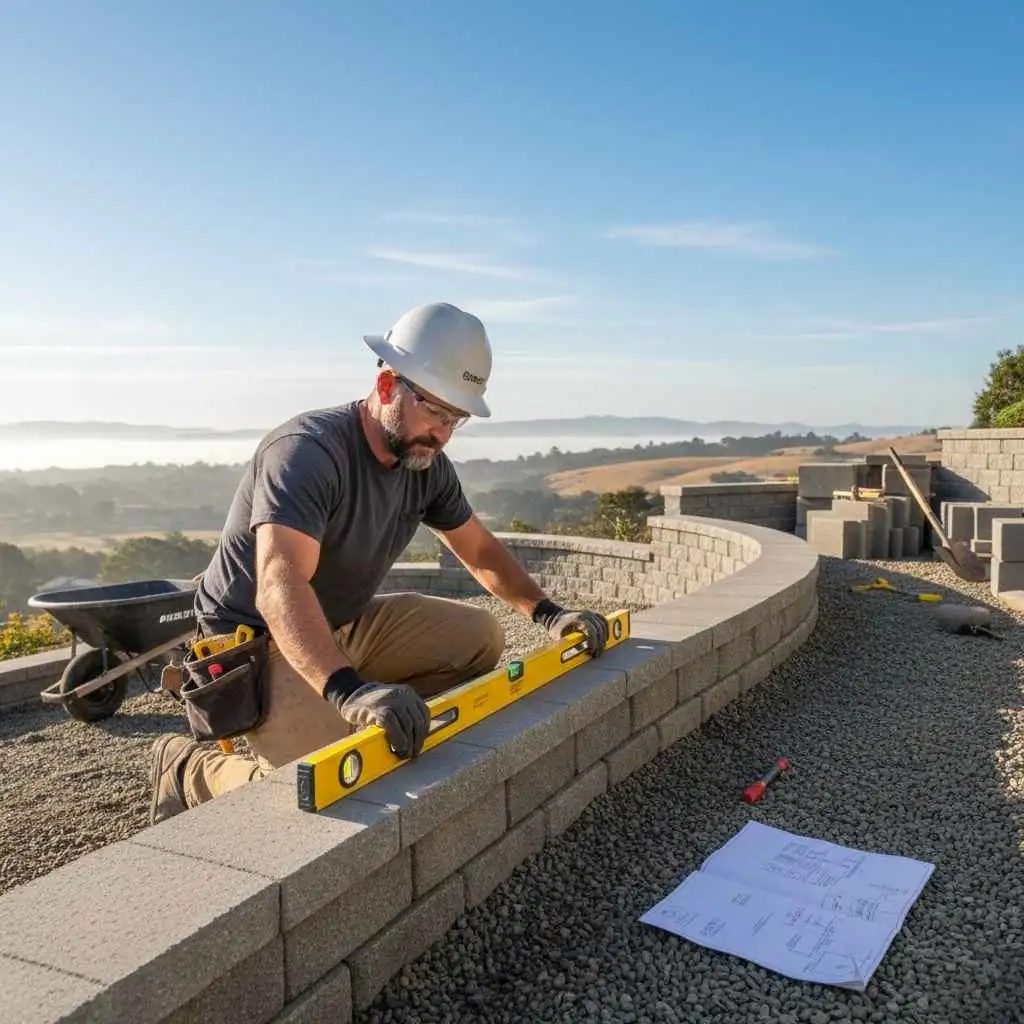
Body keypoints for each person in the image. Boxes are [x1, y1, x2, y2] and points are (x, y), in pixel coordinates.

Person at [149, 301, 611, 824]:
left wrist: (549, 614)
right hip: (256, 640)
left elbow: (479, 549)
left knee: (480, 636)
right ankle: (185, 766)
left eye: (455, 418)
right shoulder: (307, 452)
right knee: (317, 781)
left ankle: (361, 706)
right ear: (389, 386)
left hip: (341, 623)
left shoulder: (425, 464)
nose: (442, 434)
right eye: (435, 412)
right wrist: (349, 691)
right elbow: (279, 583)